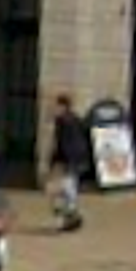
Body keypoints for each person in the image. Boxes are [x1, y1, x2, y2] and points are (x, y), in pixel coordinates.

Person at [48, 95, 91, 234]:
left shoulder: (63, 121)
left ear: (63, 106)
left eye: (56, 106)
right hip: (76, 159)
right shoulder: (76, 119)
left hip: (68, 160)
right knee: (69, 188)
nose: (54, 109)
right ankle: (70, 218)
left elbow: (63, 144)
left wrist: (55, 161)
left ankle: (69, 217)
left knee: (60, 190)